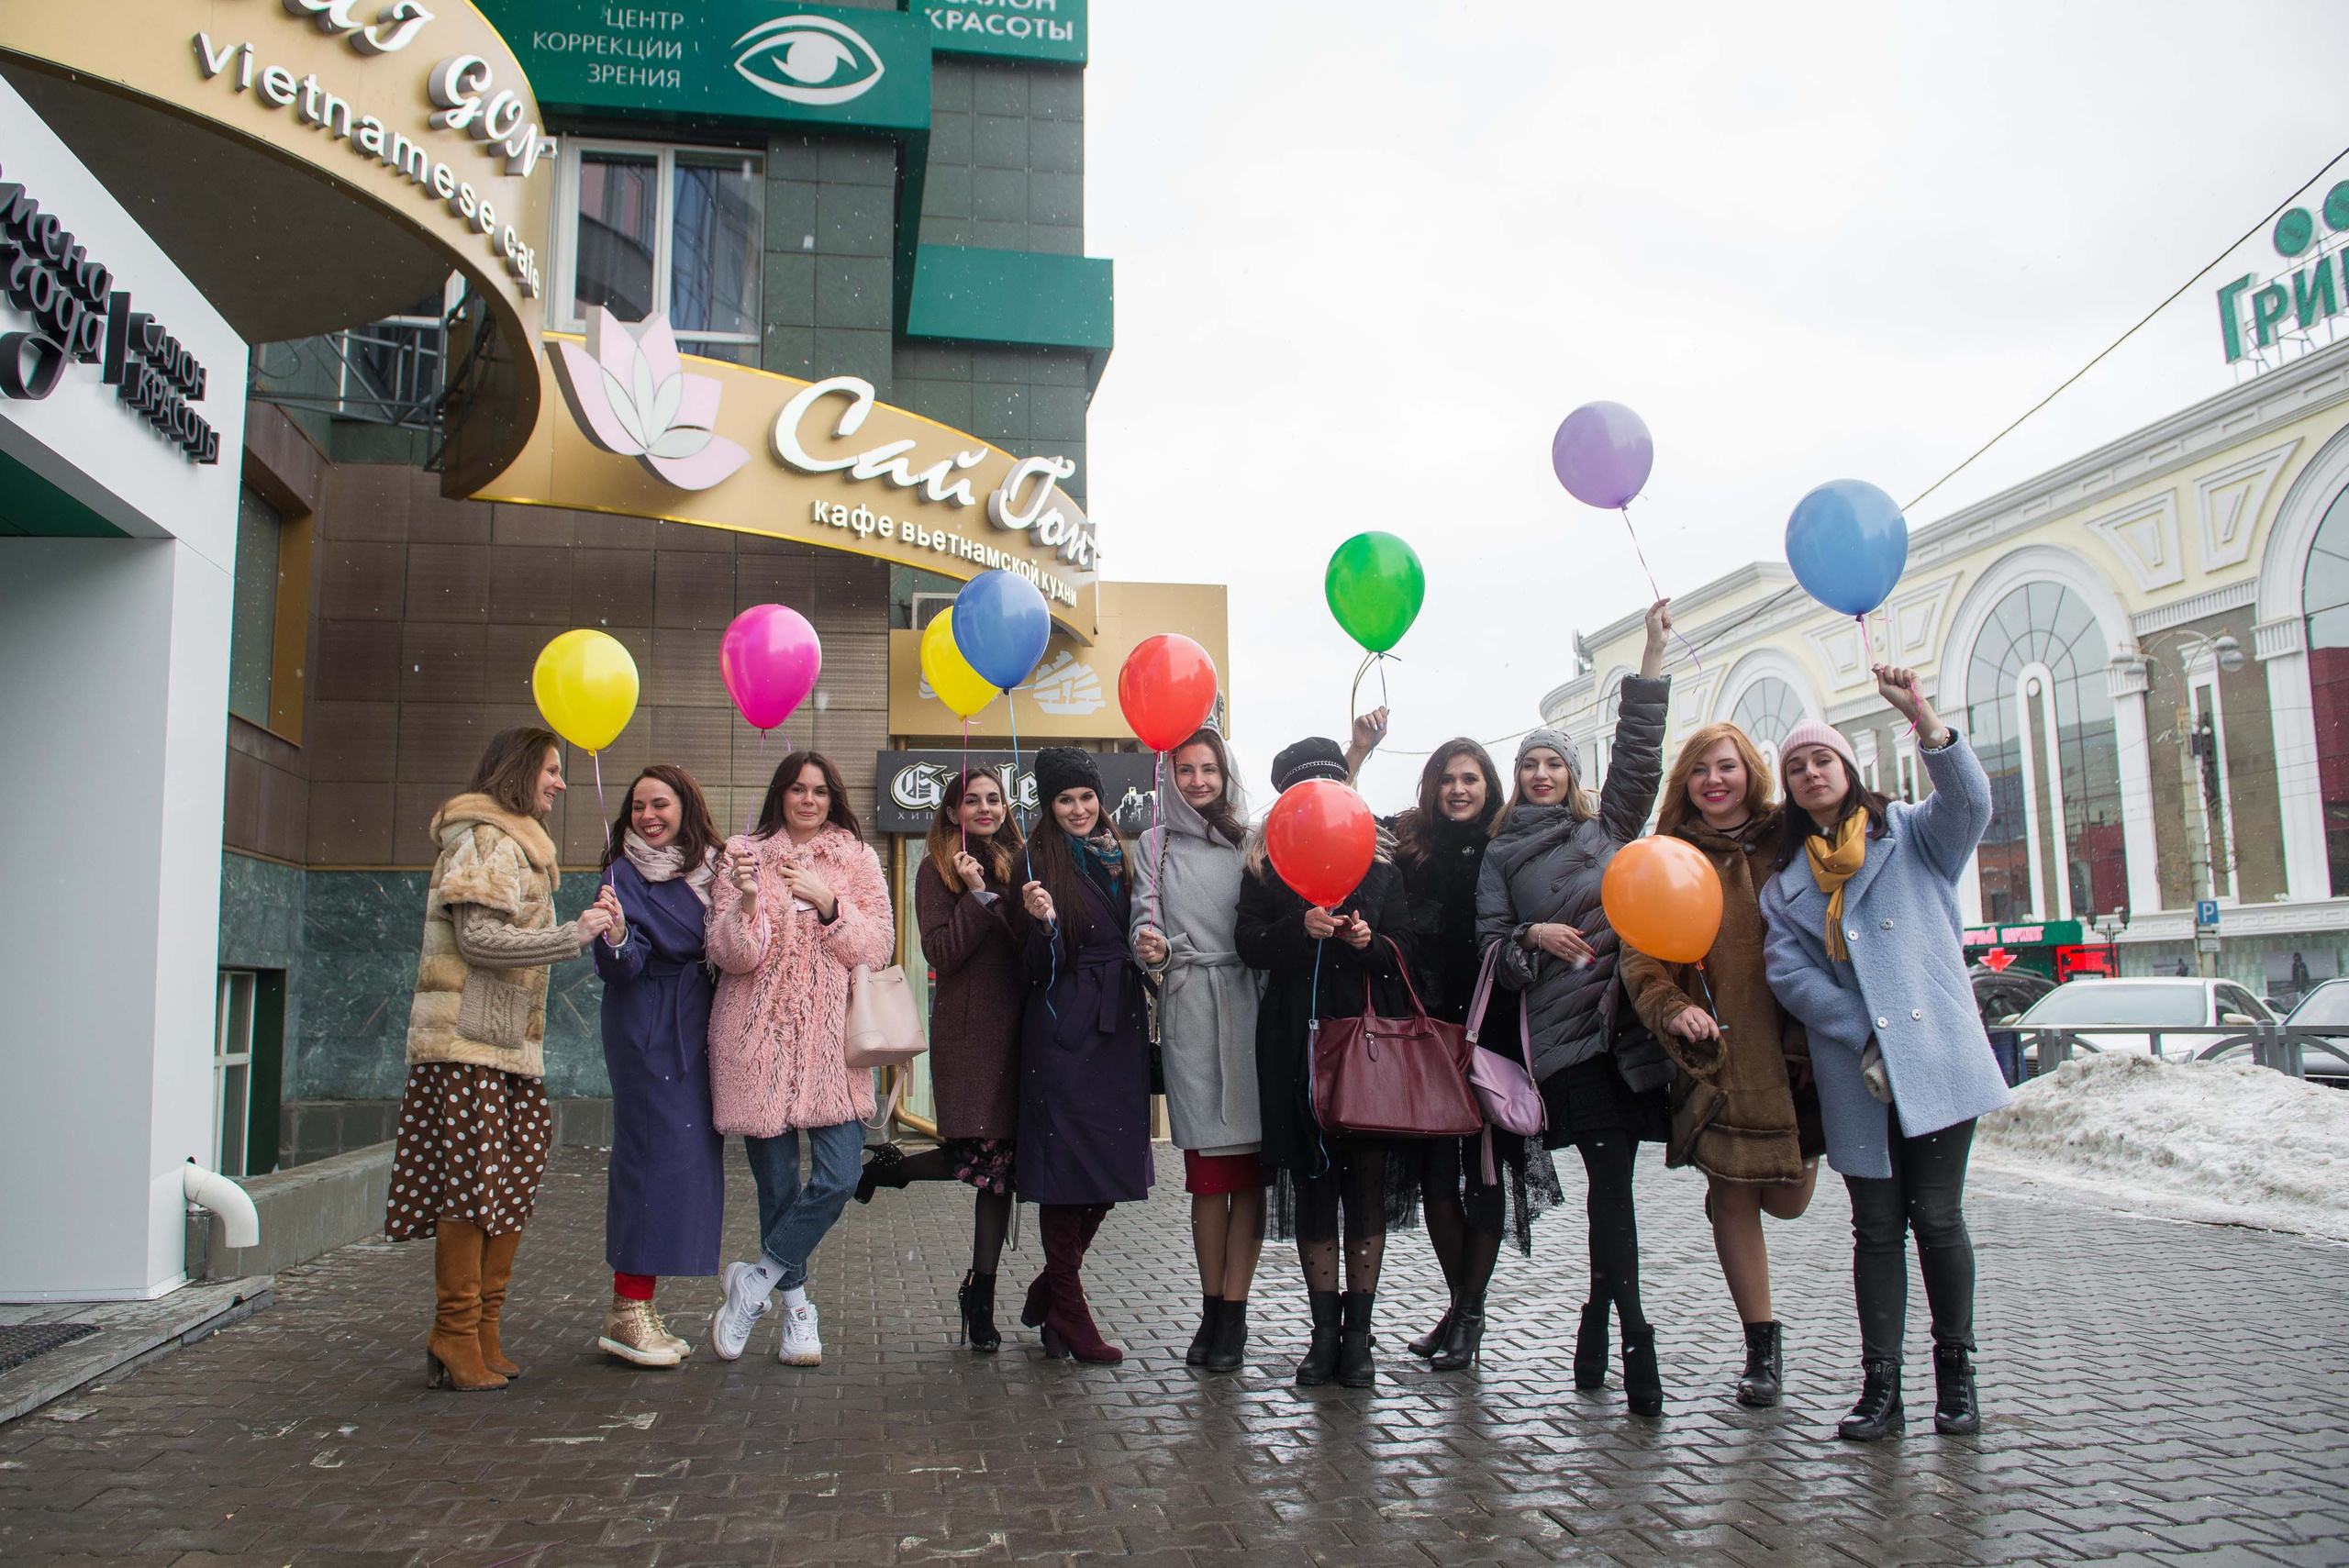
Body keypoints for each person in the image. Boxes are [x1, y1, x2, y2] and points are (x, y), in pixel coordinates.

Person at [1760, 669, 2010, 1441]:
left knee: (1937, 1218)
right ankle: (1881, 1389)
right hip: (1857, 1072)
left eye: (1822, 761)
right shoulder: (1787, 885)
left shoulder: (1912, 832)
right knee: (1875, 1229)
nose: (1810, 774)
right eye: (1796, 768)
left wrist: (1926, 721)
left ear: (1848, 769)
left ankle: (1956, 1378)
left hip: (1934, 1056)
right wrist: (1861, 1027)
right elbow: (1787, 971)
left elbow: (1973, 804)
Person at [1476, 599, 1674, 1416]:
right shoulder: (1500, 853)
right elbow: (1490, 951)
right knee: (1611, 1186)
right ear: (1518, 779)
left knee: (1613, 1188)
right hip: (1566, 1048)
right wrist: (1533, 934)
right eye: (1530, 767)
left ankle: (1598, 1318)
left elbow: (1639, 757)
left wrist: (1653, 658)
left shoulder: (1609, 831)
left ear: (1570, 774)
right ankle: (1635, 1339)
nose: (1543, 776)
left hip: (1627, 1034)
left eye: (1553, 765)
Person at [386, 727, 622, 1392]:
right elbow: (479, 936)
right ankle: (456, 1330)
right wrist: (570, 934)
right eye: (551, 769)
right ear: (521, 771)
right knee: (471, 1190)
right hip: (467, 1045)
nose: (561, 781)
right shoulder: (485, 836)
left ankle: (482, 1329)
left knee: (504, 1189)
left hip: (505, 1048)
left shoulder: (519, 845)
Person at [1620, 723, 1821, 1408]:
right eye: (1701, 768)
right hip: (1719, 1055)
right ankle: (1761, 1345)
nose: (1715, 779)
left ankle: (1741, 1196)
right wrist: (1673, 1008)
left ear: (1750, 772)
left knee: (1789, 1199)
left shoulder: (1787, 839)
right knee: (1735, 1197)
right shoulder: (1669, 855)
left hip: (1797, 1053)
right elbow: (1640, 956)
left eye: (1727, 766)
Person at [1376, 734, 1564, 1373]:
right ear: (1431, 786)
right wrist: (1358, 747)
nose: (1459, 788)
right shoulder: (1406, 847)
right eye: (1449, 778)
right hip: (1426, 1034)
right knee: (1434, 1178)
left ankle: (1468, 1313)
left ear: (1490, 787)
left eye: (1472, 778)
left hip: (1489, 1029)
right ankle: (1461, 1308)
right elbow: (1335, 816)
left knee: (1484, 1172)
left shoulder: (1505, 848)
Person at [1236, 736, 1419, 1390]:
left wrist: (1369, 942)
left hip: (1364, 1049)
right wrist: (1298, 929)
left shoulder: (1381, 869)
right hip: (1294, 1043)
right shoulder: (1265, 868)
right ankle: (1322, 1334)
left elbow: (1406, 958)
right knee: (1313, 1186)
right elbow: (1248, 944)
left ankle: (1360, 1337)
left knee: (1364, 1188)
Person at [705, 751, 895, 1368]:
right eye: (796, 789)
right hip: (758, 1041)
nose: (808, 799)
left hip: (829, 1048)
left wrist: (831, 904)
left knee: (839, 1176)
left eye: (818, 790)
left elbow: (878, 945)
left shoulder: (858, 859)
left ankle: (755, 1280)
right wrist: (745, 903)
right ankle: (798, 1312)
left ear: (832, 797)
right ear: (780, 795)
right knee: (779, 1185)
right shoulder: (744, 853)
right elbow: (731, 956)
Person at [856, 768, 1028, 1352]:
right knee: (989, 1156)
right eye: (971, 800)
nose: (984, 808)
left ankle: (891, 1169)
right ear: (953, 811)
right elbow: (943, 953)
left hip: (1024, 1031)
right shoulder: (938, 867)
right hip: (972, 1033)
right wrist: (976, 896)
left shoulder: (1020, 859)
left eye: (993, 798)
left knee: (991, 1159)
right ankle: (980, 1299)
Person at [1009, 747, 1155, 1363]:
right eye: (1064, 799)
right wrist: (1038, 923)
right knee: (1068, 1178)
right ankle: (1070, 1310)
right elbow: (1032, 969)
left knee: (1109, 1172)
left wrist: (1147, 944)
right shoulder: (1034, 861)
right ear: (1050, 804)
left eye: (1085, 797)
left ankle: (1050, 1291)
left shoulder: (1118, 857)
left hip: (1118, 1028)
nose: (1077, 808)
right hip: (1064, 1030)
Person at [1131, 726, 1263, 1374]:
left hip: (1252, 1010)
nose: (1198, 780)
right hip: (1190, 1009)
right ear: (1169, 775)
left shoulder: (1253, 841)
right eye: (1186, 769)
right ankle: (1210, 1305)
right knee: (1208, 1178)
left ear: (1227, 772)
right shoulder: (1152, 845)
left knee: (1252, 1178)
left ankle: (1235, 1313)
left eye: (1209, 768)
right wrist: (1149, 945)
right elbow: (1142, 919)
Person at [589, 765, 728, 1370]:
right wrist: (616, 934)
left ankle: (641, 1305)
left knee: (687, 1162)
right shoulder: (622, 873)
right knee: (650, 1161)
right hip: (648, 1026)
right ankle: (626, 1309)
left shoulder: (712, 867)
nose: (648, 815)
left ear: (685, 808)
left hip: (695, 1026)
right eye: (639, 805)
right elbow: (621, 965)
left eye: (660, 804)